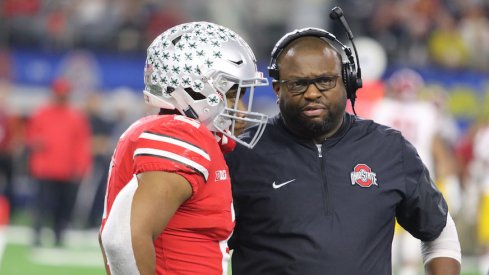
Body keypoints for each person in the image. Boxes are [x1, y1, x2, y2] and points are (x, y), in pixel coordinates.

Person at [226, 25, 462, 274]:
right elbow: (203, 243)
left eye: (325, 81)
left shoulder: (389, 149)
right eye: (298, 84)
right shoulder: (242, 152)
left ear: (348, 82)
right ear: (277, 89)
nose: (313, 93)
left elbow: (439, 231)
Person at [99, 21, 269, 275]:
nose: (242, 110)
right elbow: (121, 240)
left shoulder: (162, 129)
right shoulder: (183, 135)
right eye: (234, 95)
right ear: (196, 88)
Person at [370, 68, 462, 274]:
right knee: (414, 239)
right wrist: (451, 181)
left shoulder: (382, 107)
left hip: (385, 176)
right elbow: (438, 148)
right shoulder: (426, 111)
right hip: (418, 177)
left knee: (386, 242)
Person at [26, 77, 92, 246]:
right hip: (45, 169)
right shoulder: (42, 113)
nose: (61, 98)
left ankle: (58, 235)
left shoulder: (75, 117)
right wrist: (36, 143)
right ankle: (37, 234)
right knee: (42, 205)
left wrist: (82, 167)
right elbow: (31, 136)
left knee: (63, 207)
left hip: (66, 171)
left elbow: (81, 144)